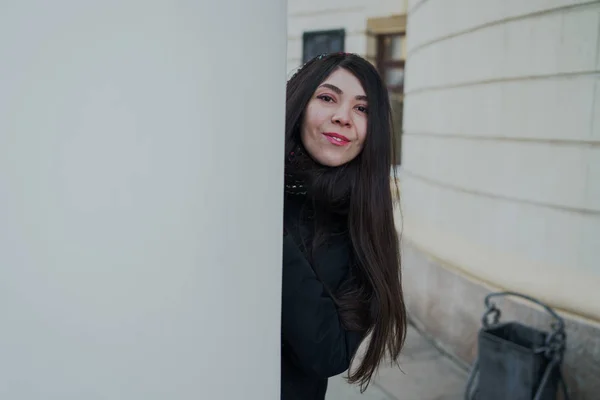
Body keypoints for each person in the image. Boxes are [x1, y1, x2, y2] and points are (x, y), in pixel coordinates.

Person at [281, 52, 407, 400]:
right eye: (327, 98)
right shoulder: (251, 183)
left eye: (362, 109)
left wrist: (270, 238)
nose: (342, 117)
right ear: (299, 103)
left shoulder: (364, 228)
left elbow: (328, 353)